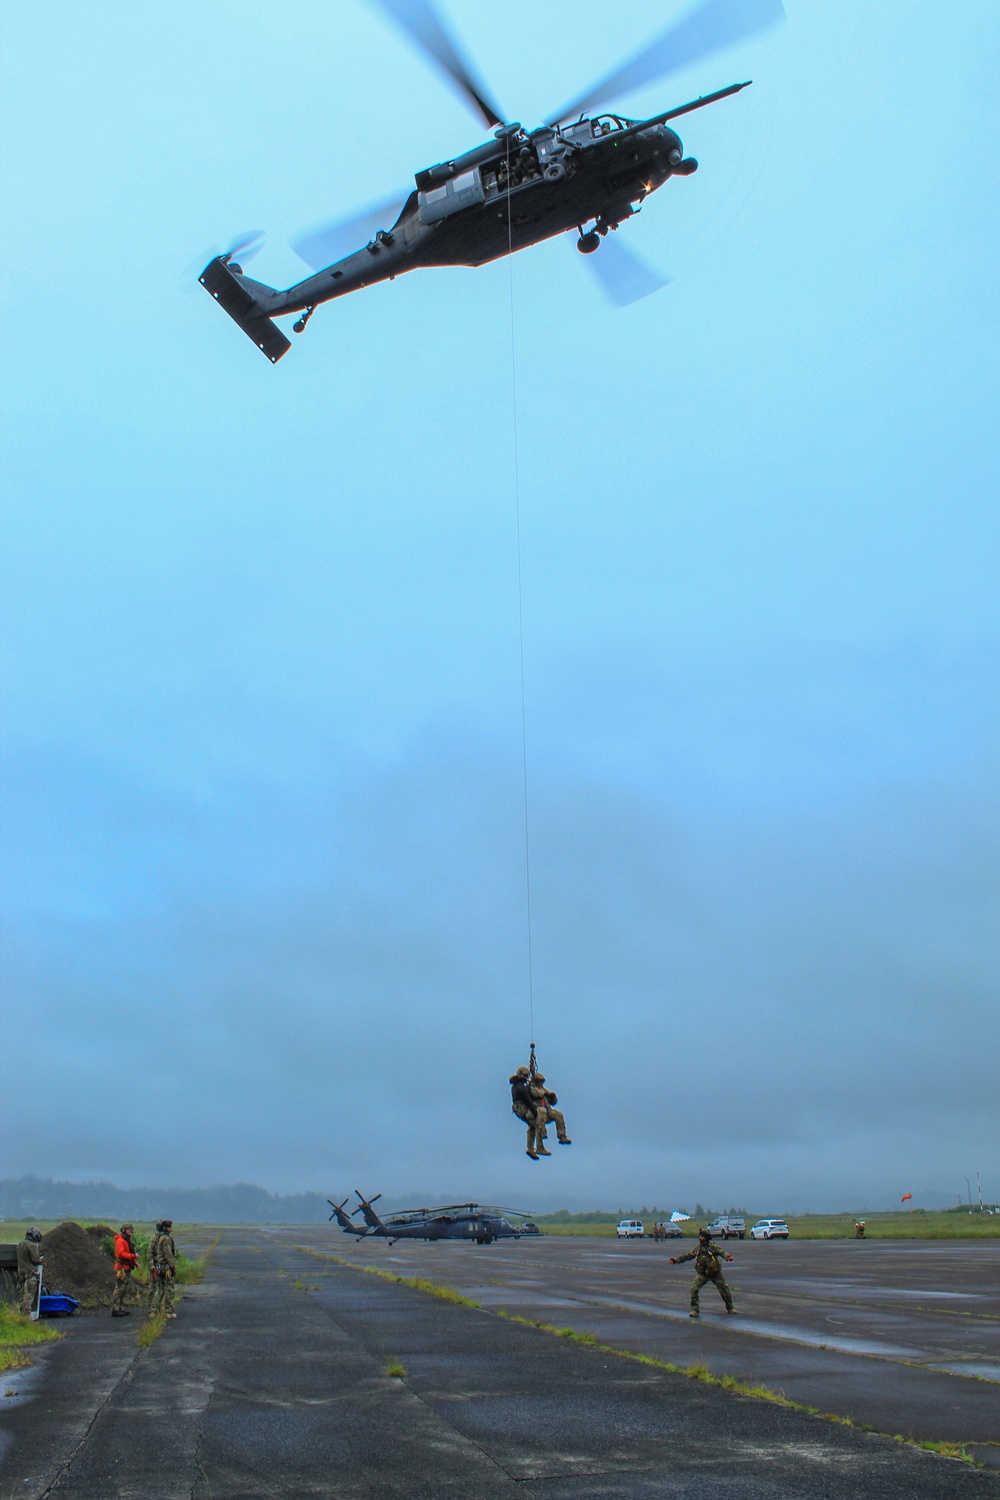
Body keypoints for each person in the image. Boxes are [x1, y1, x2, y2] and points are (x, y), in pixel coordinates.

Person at [670, 1227, 736, 1318]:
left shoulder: (713, 1247)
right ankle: (694, 1310)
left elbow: (722, 1252)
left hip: (715, 1274)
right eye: (700, 1236)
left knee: (725, 1290)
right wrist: (675, 1260)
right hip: (702, 1274)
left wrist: (728, 1257)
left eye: (703, 1237)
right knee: (694, 1289)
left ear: (707, 1238)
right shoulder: (698, 1249)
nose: (701, 1238)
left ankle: (730, 1307)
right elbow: (687, 1256)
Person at [530, 1072, 572, 1151]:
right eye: (539, 1081)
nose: (541, 1083)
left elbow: (552, 1102)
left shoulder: (542, 1089)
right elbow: (536, 1094)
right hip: (537, 1111)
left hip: (547, 1110)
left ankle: (562, 1136)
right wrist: (544, 1092)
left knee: (558, 1114)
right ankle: (542, 1133)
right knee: (541, 1114)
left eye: (542, 1082)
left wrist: (552, 1096)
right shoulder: (531, 1088)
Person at [510, 1066, 542, 1160]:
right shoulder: (520, 1087)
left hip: (520, 1108)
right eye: (525, 1076)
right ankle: (539, 1147)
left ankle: (530, 1148)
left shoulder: (518, 1085)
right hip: (521, 1109)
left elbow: (528, 1086)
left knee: (532, 1125)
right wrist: (535, 1112)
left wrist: (532, 1072)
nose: (526, 1078)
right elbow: (528, 1100)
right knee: (537, 1124)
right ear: (520, 1075)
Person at [148, 1219, 178, 1318]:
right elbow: (168, 1255)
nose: (171, 1228)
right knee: (169, 1289)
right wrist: (173, 1266)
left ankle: (154, 1310)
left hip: (160, 1267)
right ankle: (168, 1311)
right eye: (169, 1226)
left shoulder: (160, 1237)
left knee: (159, 1290)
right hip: (166, 1268)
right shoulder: (165, 1239)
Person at [111, 1223, 139, 1317]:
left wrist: (134, 1262)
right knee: (119, 1288)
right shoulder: (120, 1240)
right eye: (129, 1229)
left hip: (127, 1267)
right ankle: (115, 1308)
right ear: (124, 1230)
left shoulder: (126, 1241)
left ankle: (120, 1307)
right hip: (121, 1268)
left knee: (124, 1289)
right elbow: (121, 1254)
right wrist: (134, 1256)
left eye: (131, 1229)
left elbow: (127, 1253)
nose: (131, 1231)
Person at [17, 1228, 43, 1316]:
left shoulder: (20, 1244)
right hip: (30, 1274)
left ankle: (19, 1317)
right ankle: (26, 1319)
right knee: (29, 1297)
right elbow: (36, 1260)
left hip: (21, 1273)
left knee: (21, 1296)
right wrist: (41, 1259)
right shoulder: (32, 1245)